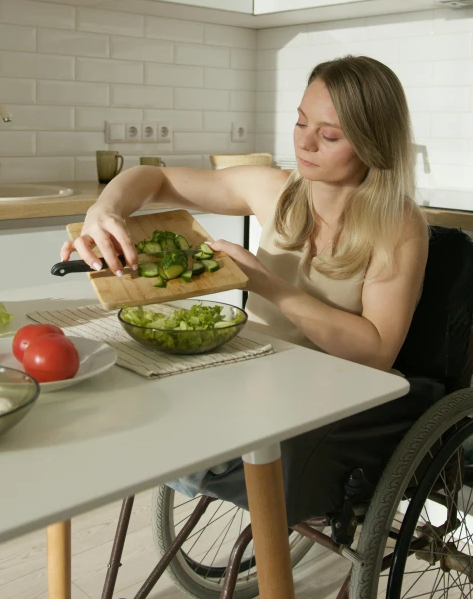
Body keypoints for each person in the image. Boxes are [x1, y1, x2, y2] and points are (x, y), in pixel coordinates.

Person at [61, 55, 442, 522]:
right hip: (259, 374)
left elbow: (376, 352)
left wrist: (268, 285)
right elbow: (155, 178)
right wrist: (106, 209)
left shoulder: (398, 226)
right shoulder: (275, 190)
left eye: (330, 135)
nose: (305, 142)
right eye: (301, 122)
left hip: (335, 392)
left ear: (373, 143)